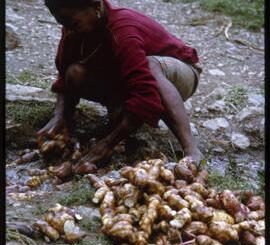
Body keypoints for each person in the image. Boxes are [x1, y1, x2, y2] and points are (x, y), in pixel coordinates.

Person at [38, 0, 203, 173]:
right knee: (75, 72)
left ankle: (191, 148)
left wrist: (107, 144)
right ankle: (69, 126)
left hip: (180, 73)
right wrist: (59, 115)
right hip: (138, 78)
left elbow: (146, 93)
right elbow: (64, 72)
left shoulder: (123, 29)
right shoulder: (75, 24)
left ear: (96, 7)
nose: (69, 30)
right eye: (64, 25)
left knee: (149, 66)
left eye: (73, 24)